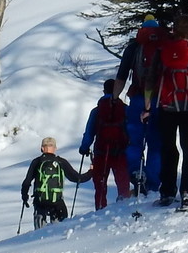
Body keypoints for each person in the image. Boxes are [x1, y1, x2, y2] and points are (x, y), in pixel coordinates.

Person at [147, 14, 188, 210]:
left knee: (168, 149)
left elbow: (151, 79)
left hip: (166, 108)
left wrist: (148, 104)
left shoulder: (161, 52)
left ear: (173, 31)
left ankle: (167, 192)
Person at [112, 16, 167, 195]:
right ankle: (152, 182)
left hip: (137, 98)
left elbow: (121, 77)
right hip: (159, 101)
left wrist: (114, 98)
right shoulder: (163, 45)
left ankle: (136, 175)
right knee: (156, 143)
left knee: (134, 142)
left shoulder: (134, 47)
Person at [78, 79, 132, 209]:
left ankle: (100, 208)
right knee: (123, 182)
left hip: (102, 152)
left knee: (100, 184)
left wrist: (84, 148)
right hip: (121, 151)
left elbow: (89, 132)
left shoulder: (96, 111)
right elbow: (131, 130)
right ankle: (123, 207)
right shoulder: (125, 109)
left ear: (104, 91)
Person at [19, 136, 91, 229]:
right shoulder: (61, 162)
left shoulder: (37, 162)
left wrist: (24, 196)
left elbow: (27, 182)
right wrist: (91, 172)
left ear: (42, 148)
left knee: (39, 234)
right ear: (55, 148)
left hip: (40, 202)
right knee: (59, 231)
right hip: (57, 202)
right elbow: (77, 178)